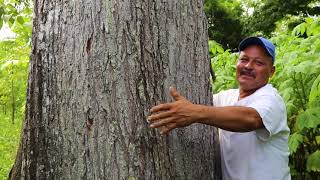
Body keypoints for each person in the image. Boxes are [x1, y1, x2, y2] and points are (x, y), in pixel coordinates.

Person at [147, 36, 291, 180]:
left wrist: (194, 113)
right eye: (244, 59)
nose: (248, 66)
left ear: (271, 71)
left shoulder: (272, 100)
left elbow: (251, 119)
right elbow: (196, 106)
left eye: (258, 63)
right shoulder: (226, 98)